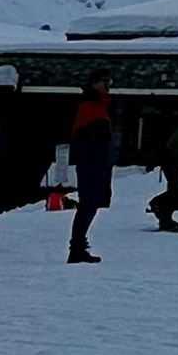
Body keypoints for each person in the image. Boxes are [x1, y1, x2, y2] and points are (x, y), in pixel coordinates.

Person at [67, 75, 115, 264]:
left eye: (109, 83)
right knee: (88, 206)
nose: (108, 86)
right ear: (94, 85)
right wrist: (98, 162)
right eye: (104, 82)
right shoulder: (90, 107)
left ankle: (78, 247)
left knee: (91, 206)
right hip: (92, 165)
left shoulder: (98, 107)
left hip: (97, 164)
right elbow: (87, 141)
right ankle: (76, 248)